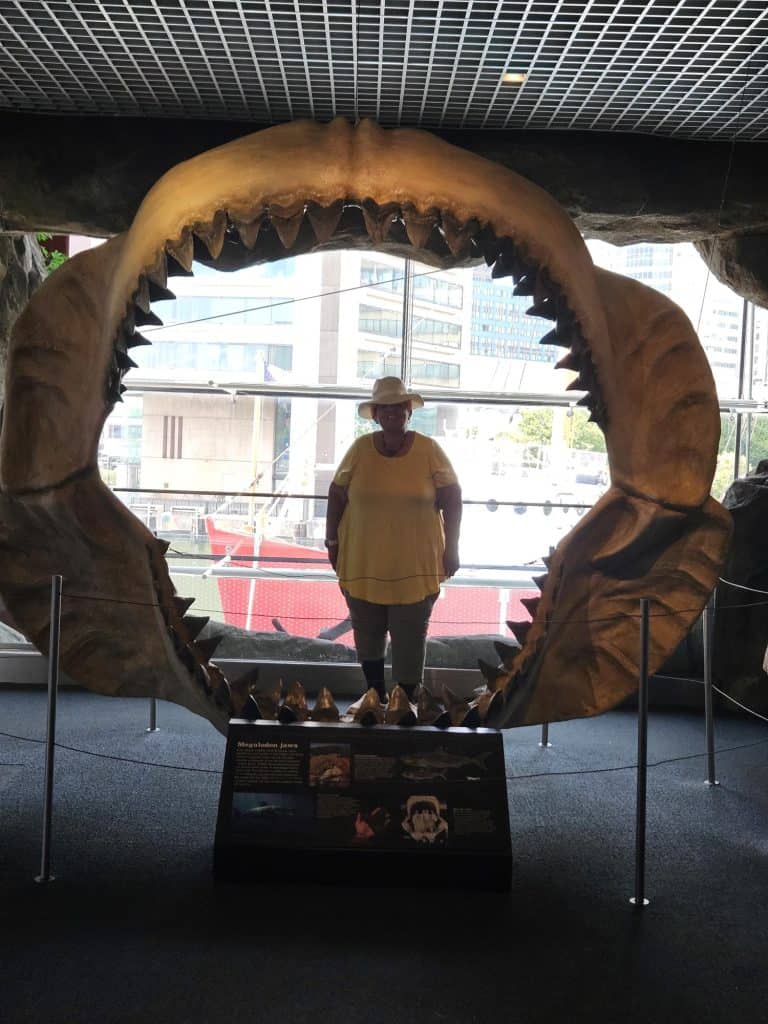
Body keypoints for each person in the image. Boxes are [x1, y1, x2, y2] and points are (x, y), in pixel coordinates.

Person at [325, 376, 462, 704]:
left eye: (398, 407)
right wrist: (331, 541)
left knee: (410, 639)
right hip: (363, 562)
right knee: (367, 634)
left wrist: (453, 548)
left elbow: (453, 497)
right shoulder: (360, 449)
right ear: (375, 414)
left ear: (408, 411)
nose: (392, 412)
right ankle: (374, 699)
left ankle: (406, 706)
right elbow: (337, 493)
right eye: (384, 408)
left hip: (415, 566)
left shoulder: (429, 450)